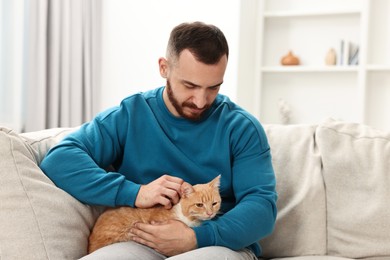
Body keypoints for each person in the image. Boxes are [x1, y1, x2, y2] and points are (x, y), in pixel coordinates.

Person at [40, 21, 277, 260]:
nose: (201, 101)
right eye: (190, 85)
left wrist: (196, 237)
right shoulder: (130, 114)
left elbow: (262, 207)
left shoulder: (242, 127)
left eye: (213, 88)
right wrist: (135, 193)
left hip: (215, 242)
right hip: (139, 239)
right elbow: (60, 160)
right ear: (164, 68)